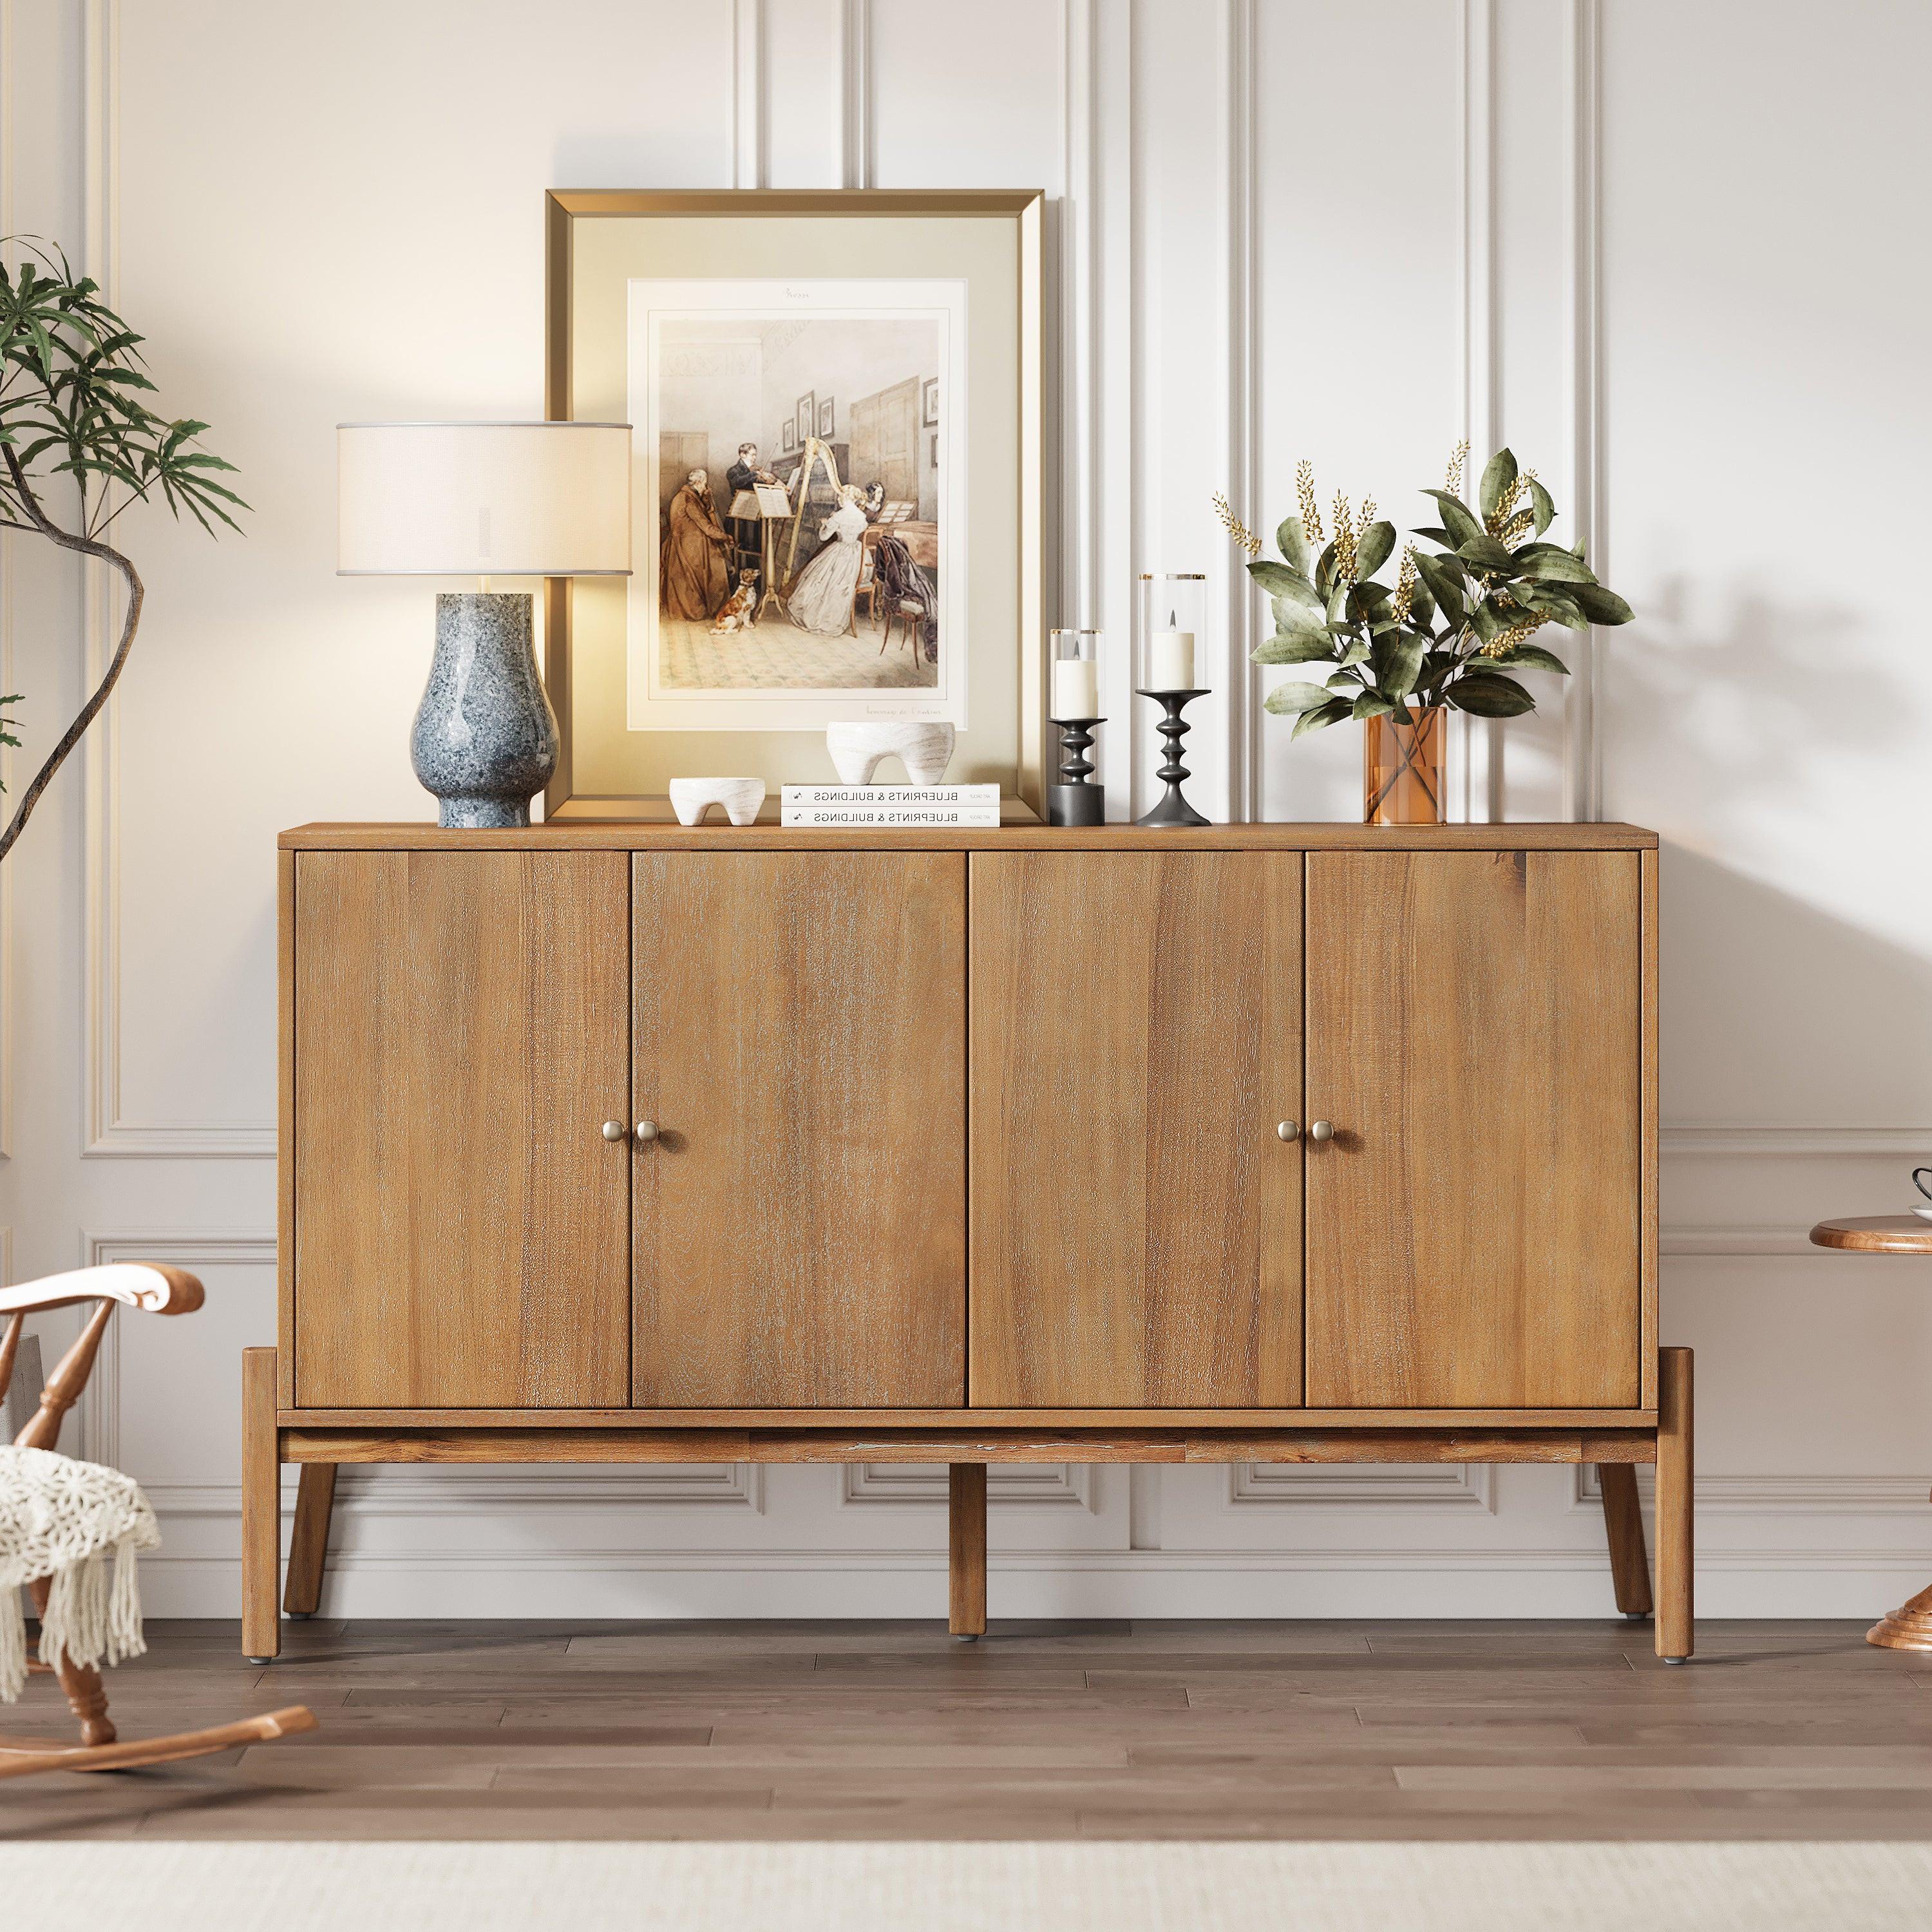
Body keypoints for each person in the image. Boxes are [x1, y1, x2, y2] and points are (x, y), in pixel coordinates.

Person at [788, 484, 869, 638]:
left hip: (841, 553)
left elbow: (823, 537)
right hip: (857, 556)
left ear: (846, 498)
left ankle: (821, 618)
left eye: (840, 497)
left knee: (818, 579)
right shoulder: (861, 516)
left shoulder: (839, 516)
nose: (838, 499)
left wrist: (824, 524)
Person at [661, 468, 730, 621]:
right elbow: (706, 527)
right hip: (688, 546)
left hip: (684, 542)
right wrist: (725, 537)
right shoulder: (688, 499)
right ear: (698, 483)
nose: (706, 488)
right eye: (705, 484)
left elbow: (702, 517)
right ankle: (715, 608)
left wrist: (706, 500)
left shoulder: (687, 496)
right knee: (717, 564)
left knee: (714, 554)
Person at [724, 442, 775, 575]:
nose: (754, 458)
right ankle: (737, 582)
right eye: (752, 455)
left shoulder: (755, 471)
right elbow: (737, 482)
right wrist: (753, 474)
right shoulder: (733, 471)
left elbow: (765, 483)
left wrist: (769, 479)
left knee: (754, 549)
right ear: (742, 454)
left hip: (754, 514)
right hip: (739, 516)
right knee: (738, 549)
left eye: (755, 455)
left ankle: (753, 581)